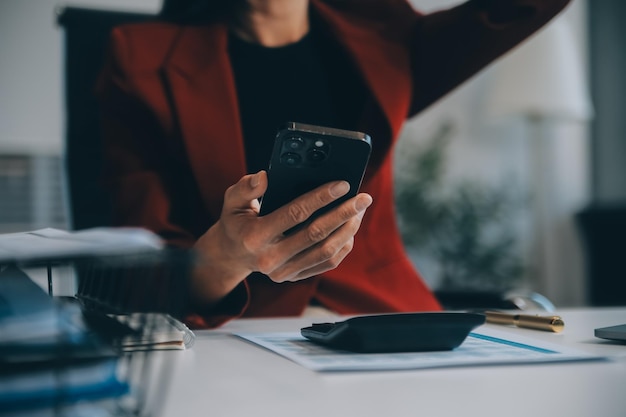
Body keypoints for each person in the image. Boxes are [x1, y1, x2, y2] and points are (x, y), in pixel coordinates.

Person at [96, 0, 571, 328]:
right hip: (243, 331)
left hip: (383, 320)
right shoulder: (140, 58)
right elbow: (142, 263)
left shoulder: (383, 32)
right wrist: (225, 257)